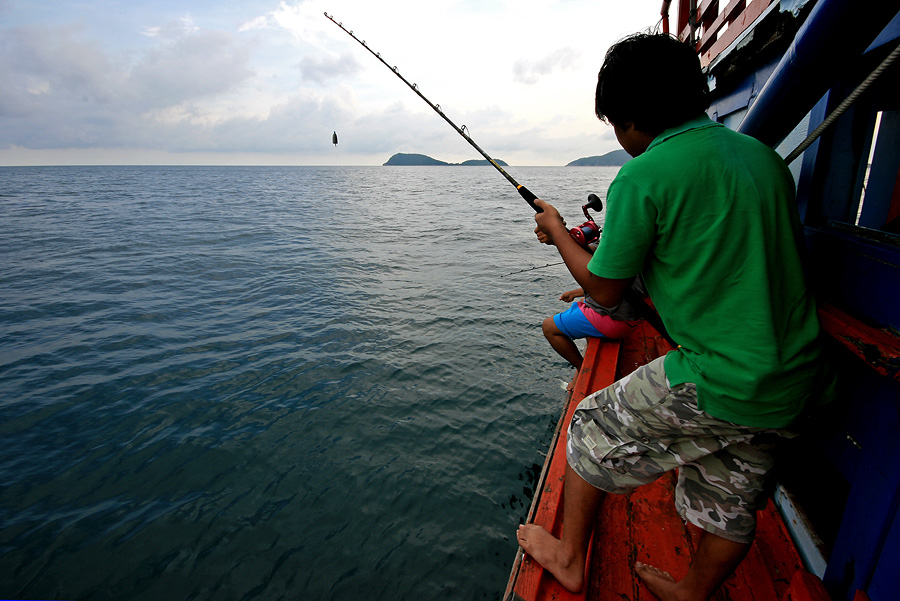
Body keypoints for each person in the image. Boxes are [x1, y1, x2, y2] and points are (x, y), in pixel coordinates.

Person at [516, 32, 832, 600]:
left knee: (589, 425)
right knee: (732, 489)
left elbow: (603, 291)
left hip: (725, 376)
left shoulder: (644, 175)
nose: (619, 137)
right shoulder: (761, 157)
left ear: (633, 118)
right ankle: (692, 592)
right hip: (796, 376)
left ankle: (568, 557)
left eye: (615, 123)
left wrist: (557, 230)